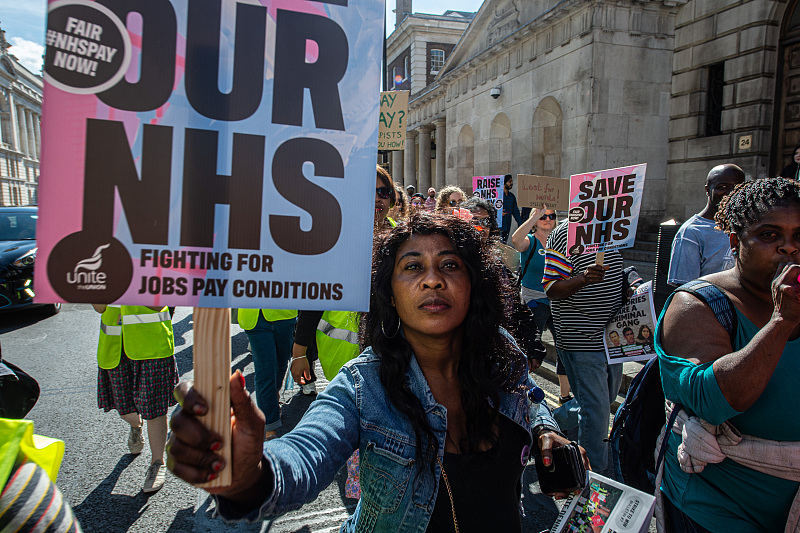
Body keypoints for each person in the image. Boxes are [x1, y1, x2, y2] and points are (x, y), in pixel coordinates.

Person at [166, 213, 588, 531]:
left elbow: (529, 396)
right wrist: (252, 476)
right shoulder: (360, 386)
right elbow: (305, 453)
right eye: (412, 267)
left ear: (474, 284)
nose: (432, 281)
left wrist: (546, 430)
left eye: (450, 265)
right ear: (388, 292)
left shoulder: (502, 350)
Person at [656, 177, 800, 532]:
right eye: (769, 235)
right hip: (716, 510)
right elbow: (715, 400)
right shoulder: (696, 303)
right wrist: (780, 322)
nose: (788, 249)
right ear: (735, 242)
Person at [290, 165, 398, 498]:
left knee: (388, 419)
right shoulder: (334, 236)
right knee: (354, 419)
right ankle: (360, 491)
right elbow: (314, 296)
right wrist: (298, 352)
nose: (377, 198)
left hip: (391, 347)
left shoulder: (403, 236)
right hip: (342, 350)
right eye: (369, 191)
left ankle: (384, 485)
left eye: (383, 192)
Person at [543, 219, 625, 472]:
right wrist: (583, 279)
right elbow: (552, 288)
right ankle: (593, 482)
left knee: (602, 400)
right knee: (597, 411)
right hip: (579, 338)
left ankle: (542, 425)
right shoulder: (563, 234)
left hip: (613, 337)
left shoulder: (615, 231)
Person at [93, 304, 177, 492]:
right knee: (125, 411)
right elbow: (99, 307)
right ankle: (135, 426)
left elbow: (158, 304)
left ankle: (157, 463)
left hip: (152, 345)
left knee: (155, 409)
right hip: (115, 348)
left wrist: (130, 284)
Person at [511, 205, 572, 404]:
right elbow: (516, 241)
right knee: (530, 347)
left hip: (557, 300)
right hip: (534, 300)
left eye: (551, 216)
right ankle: (523, 388)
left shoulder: (561, 242)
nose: (547, 219)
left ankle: (564, 396)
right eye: (543, 217)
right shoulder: (531, 241)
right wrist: (532, 218)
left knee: (564, 347)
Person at [667, 164, 746, 287]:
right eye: (722, 187)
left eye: (737, 187)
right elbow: (685, 289)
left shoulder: (748, 225)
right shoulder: (691, 232)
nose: (730, 193)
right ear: (707, 189)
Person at [238, 309, 298, 440]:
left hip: (284, 314)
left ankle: (273, 396)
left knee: (281, 365)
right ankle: (270, 428)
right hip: (254, 317)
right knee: (265, 371)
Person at [501, 174, 522, 243]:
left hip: (507, 224)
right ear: (504, 183)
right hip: (498, 225)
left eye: (512, 181)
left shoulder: (511, 196)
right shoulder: (498, 196)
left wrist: (520, 224)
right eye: (509, 181)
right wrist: (498, 213)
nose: (511, 183)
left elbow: (515, 211)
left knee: (504, 243)